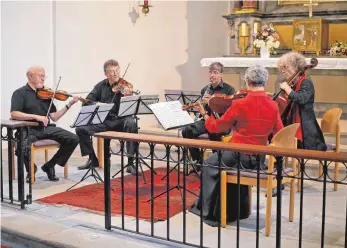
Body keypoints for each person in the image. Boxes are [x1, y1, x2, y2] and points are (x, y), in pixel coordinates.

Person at [189, 64, 284, 227]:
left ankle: (209, 211)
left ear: (247, 81)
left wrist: (204, 114)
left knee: (209, 164)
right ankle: (239, 210)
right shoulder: (273, 105)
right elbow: (280, 133)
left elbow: (215, 127)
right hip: (259, 160)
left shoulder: (240, 104)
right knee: (219, 161)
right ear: (265, 82)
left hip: (238, 156)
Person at [10, 66, 80, 182]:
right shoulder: (19, 93)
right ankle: (31, 169)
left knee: (73, 138)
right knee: (21, 145)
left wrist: (69, 105)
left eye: (44, 76)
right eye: (40, 76)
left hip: (45, 128)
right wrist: (36, 116)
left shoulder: (46, 94)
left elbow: (54, 117)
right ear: (30, 76)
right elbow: (14, 113)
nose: (43, 79)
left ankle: (50, 165)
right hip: (28, 130)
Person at [75, 59, 139, 175]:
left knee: (132, 124)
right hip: (105, 121)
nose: (115, 74)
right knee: (80, 129)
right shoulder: (100, 86)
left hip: (121, 120)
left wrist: (127, 95)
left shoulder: (125, 85)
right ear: (106, 74)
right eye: (112, 71)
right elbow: (87, 101)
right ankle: (92, 159)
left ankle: (130, 162)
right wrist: (99, 105)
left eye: (117, 70)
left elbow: (131, 105)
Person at [181, 62, 235, 171]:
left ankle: (217, 162)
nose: (212, 75)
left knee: (213, 130)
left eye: (215, 72)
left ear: (221, 75)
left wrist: (212, 102)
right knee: (187, 130)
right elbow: (205, 112)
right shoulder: (205, 89)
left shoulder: (229, 90)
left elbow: (229, 111)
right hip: (208, 119)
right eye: (210, 72)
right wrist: (202, 107)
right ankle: (198, 161)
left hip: (222, 122)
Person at [277, 52, 327, 151]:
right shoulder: (294, 82)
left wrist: (288, 89)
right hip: (297, 122)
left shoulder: (306, 82)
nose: (283, 71)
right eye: (281, 68)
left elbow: (301, 98)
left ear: (296, 67)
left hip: (306, 128)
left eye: (285, 68)